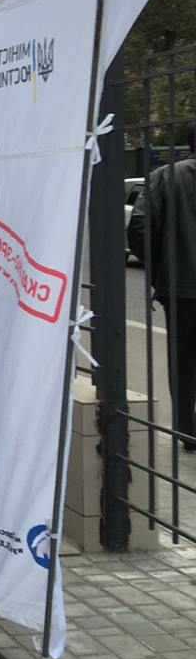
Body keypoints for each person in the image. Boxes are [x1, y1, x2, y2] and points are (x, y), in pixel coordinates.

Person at [127, 123, 196, 451]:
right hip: (179, 284)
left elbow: (138, 226)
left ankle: (187, 431)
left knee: (182, 362)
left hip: (180, 288)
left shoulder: (164, 177)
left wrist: (160, 271)